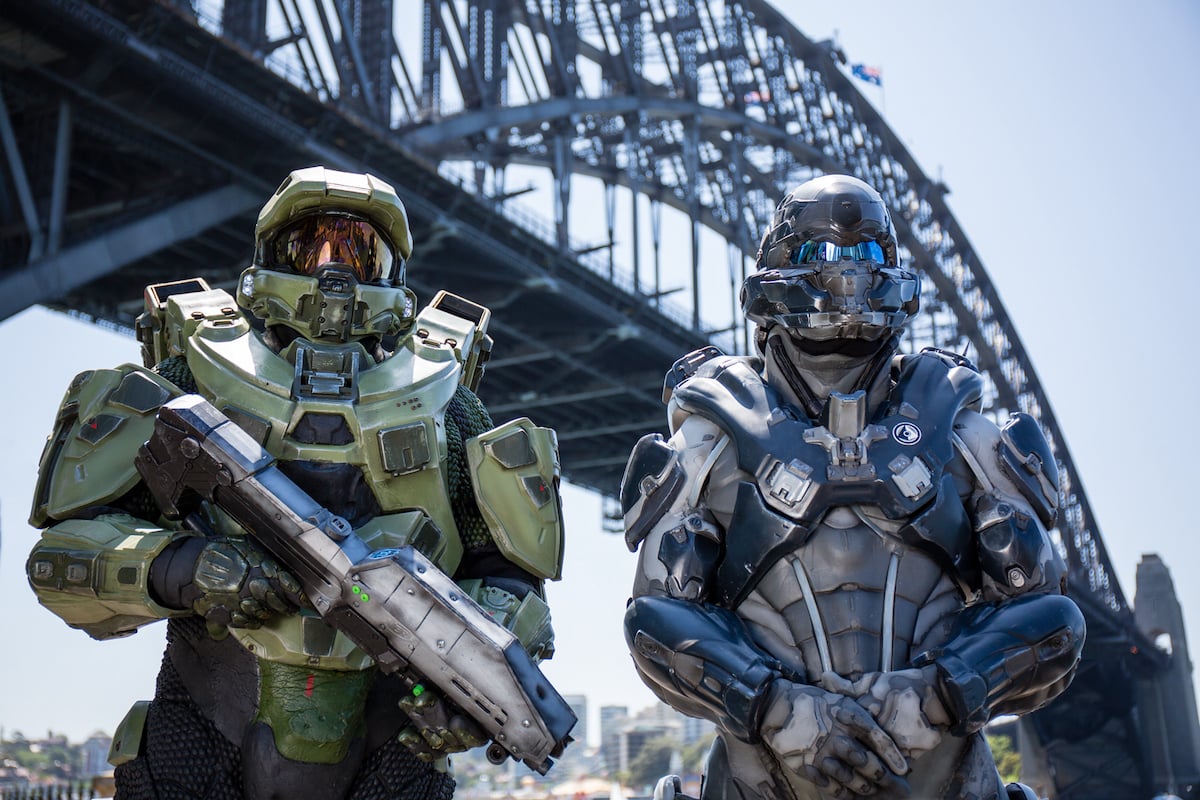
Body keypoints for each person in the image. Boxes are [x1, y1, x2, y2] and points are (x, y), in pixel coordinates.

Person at [25, 166, 566, 800]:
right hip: (202, 724)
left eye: (358, 249)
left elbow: (516, 590)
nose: (334, 269)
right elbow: (60, 561)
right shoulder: (188, 373)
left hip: (389, 743)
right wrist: (189, 568)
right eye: (312, 246)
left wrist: (473, 689)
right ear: (269, 259)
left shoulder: (451, 404)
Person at [619, 174, 1084, 800]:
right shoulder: (712, 438)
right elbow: (655, 623)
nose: (845, 276)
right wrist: (782, 711)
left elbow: (1050, 623)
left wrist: (937, 697)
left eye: (864, 255)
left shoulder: (962, 431)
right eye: (819, 254)